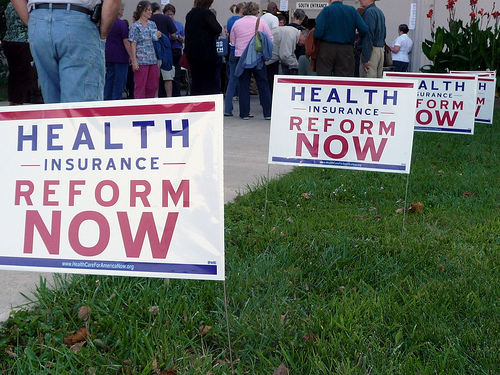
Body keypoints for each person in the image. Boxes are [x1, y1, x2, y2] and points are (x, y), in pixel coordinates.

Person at [11, 0, 121, 104]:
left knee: (53, 105)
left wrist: (34, 23)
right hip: (78, 20)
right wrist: (102, 35)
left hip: (38, 20)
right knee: (81, 108)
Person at [230, 1, 273, 120]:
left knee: (243, 85)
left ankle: (244, 113)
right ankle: (268, 113)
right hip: (257, 57)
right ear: (256, 11)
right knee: (263, 84)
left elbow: (232, 41)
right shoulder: (261, 22)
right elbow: (270, 38)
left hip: (241, 57)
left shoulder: (237, 23)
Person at [313, 0, 367, 77]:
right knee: (344, 80)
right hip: (346, 49)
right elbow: (364, 29)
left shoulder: (326, 10)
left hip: (326, 49)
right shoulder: (351, 10)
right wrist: (356, 37)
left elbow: (318, 33)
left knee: (324, 79)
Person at [2, 2, 42, 105]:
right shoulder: (27, 5)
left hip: (8, 40)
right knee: (24, 75)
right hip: (23, 41)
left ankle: (13, 101)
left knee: (14, 75)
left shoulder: (11, 4)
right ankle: (18, 103)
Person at [184, 0, 222, 95]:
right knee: (208, 81)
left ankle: (196, 103)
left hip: (192, 53)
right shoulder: (207, 14)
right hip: (207, 53)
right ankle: (207, 103)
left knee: (196, 80)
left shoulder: (190, 14)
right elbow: (217, 29)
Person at [129, 1, 162, 99]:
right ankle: (139, 107)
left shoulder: (152, 24)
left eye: (151, 10)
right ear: (142, 11)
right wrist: (134, 60)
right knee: (140, 85)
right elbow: (133, 43)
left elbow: (154, 38)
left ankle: (150, 105)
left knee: (153, 85)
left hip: (152, 59)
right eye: (148, 10)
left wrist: (158, 35)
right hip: (141, 60)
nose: (150, 12)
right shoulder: (135, 26)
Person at [104, 3, 132, 100]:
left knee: (110, 78)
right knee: (119, 81)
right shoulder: (122, 24)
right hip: (121, 56)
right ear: (120, 11)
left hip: (109, 54)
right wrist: (131, 56)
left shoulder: (107, 22)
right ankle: (116, 100)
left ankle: (107, 99)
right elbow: (126, 41)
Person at [150, 2, 176, 97]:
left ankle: (155, 99)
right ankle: (169, 98)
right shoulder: (166, 18)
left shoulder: (149, 20)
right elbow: (173, 34)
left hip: (153, 51)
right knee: (168, 77)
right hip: (165, 51)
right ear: (160, 10)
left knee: (155, 77)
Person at [224, 2, 244, 116]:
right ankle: (244, 109)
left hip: (231, 51)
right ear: (242, 10)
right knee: (242, 81)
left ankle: (228, 108)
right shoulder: (240, 22)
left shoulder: (230, 20)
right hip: (240, 52)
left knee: (231, 80)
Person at [359, 0, 386, 78]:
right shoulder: (379, 12)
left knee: (368, 80)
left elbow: (368, 35)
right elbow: (384, 33)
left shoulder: (369, 12)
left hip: (371, 51)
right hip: (380, 50)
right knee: (377, 81)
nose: (359, 0)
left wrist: (366, 58)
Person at [163, 3, 185, 97]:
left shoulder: (179, 25)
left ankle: (177, 95)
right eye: (167, 14)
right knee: (166, 76)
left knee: (176, 75)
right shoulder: (163, 25)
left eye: (171, 14)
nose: (170, 16)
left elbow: (184, 38)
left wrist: (180, 38)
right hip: (167, 51)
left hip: (176, 51)